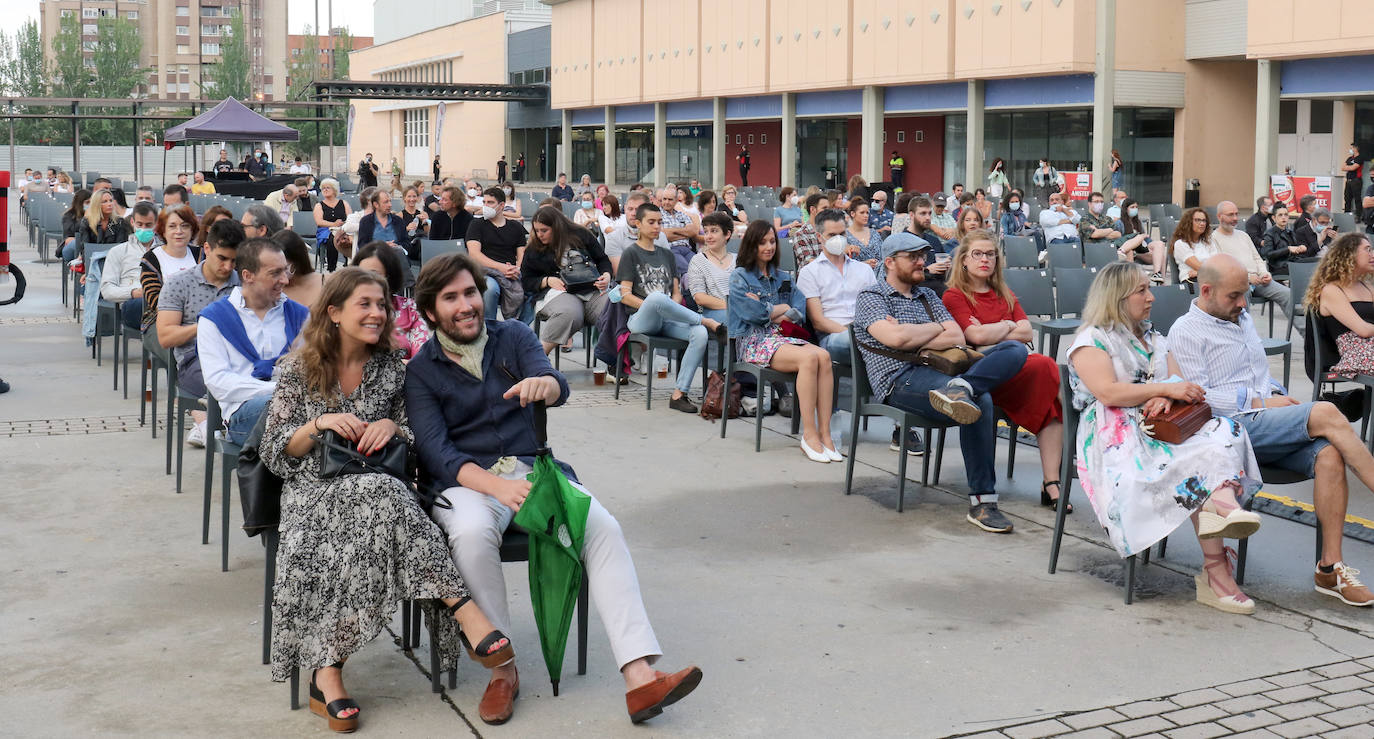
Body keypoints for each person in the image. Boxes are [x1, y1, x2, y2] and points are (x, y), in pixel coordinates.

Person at [404, 253, 702, 726]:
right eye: (451, 298)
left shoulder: (514, 336)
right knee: (471, 533)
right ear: (430, 311)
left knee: (601, 527)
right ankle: (503, 670)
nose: (466, 305)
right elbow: (438, 453)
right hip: (468, 483)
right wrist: (497, 490)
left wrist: (545, 383)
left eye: (470, 293)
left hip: (533, 470)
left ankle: (640, 675)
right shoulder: (421, 370)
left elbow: (556, 381)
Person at [258, 267, 509, 732]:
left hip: (377, 493)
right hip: (313, 496)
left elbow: (416, 441)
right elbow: (273, 451)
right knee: (386, 494)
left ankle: (326, 674)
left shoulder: (394, 367)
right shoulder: (297, 368)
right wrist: (319, 425)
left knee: (382, 492)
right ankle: (464, 609)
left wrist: (395, 427)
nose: (377, 313)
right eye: (365, 305)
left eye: (382, 305)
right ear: (333, 312)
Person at [1173, 250, 1374, 607]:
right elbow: (1197, 398)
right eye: (1233, 296)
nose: (1242, 302)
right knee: (1327, 412)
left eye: (1245, 293)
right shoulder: (1186, 331)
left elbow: (1259, 376)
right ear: (1205, 291)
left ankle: (1330, 568)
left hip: (1267, 423)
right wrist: (1262, 403)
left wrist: (1279, 398)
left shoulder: (1241, 317)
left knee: (1329, 455)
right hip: (1230, 429)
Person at [1069, 261, 1263, 612]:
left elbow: (1174, 380)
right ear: (1117, 297)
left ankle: (1222, 506)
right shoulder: (1091, 340)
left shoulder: (1155, 337)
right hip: (1116, 435)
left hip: (1161, 425)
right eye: (1142, 290)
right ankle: (1218, 570)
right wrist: (1156, 390)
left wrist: (1164, 393)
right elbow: (1109, 393)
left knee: (1227, 429)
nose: (1151, 297)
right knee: (1196, 469)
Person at [854, 232, 1031, 532]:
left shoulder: (928, 296)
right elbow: (894, 339)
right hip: (899, 381)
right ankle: (983, 502)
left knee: (1014, 350)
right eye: (912, 257)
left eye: (922, 256)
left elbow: (957, 336)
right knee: (981, 401)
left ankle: (965, 387)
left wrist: (916, 334)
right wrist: (934, 329)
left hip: (943, 375)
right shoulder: (872, 298)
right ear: (889, 263)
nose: (921, 262)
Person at [942, 230, 1066, 510]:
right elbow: (975, 338)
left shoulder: (1004, 294)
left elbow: (1025, 330)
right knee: (1044, 366)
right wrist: (1008, 327)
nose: (985, 259)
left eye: (990, 254)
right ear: (963, 260)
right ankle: (1051, 484)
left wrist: (997, 329)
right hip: (983, 374)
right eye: (978, 254)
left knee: (1047, 392)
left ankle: (1051, 481)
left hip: (1016, 373)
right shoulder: (954, 296)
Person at [729, 220, 837, 461]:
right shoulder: (740, 277)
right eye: (762, 242)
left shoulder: (782, 277)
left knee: (824, 356)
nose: (769, 247)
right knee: (810, 358)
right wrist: (778, 309)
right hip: (753, 342)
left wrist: (774, 310)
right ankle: (809, 436)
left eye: (772, 241)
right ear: (751, 245)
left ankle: (825, 435)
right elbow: (751, 315)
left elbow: (798, 308)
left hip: (782, 338)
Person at [197, 237, 307, 445]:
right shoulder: (214, 318)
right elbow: (218, 382)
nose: (285, 279)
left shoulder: (300, 315)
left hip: (298, 404)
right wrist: (280, 390)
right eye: (275, 273)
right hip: (244, 413)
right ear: (248, 276)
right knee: (278, 407)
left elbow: (314, 367)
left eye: (286, 270)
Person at [618, 202, 723, 413]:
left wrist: (669, 308)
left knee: (700, 334)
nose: (657, 226)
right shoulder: (631, 253)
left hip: (666, 319)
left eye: (659, 222)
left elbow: (676, 293)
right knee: (656, 298)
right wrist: (654, 304)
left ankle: (679, 394)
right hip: (640, 319)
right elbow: (625, 296)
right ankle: (705, 320)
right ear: (638, 224)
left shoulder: (667, 254)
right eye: (651, 222)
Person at [157, 219, 244, 445]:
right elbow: (165, 337)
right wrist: (208, 325)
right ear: (206, 249)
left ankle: (214, 426)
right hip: (194, 360)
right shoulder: (179, 283)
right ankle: (218, 426)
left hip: (240, 355)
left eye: (234, 261)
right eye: (222, 258)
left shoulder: (245, 283)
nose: (228, 267)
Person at [522, 207, 613, 356]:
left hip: (590, 288)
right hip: (556, 292)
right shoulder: (534, 249)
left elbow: (602, 259)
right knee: (570, 313)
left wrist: (607, 275)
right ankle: (537, 358)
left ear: (556, 227)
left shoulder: (581, 235)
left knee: (612, 310)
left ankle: (614, 361)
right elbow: (526, 280)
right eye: (536, 230)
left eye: (544, 230)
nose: (539, 235)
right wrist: (547, 280)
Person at [1208, 200, 1292, 316]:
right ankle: (1245, 332)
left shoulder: (1243, 235)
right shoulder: (1213, 239)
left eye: (1236, 214)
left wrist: (1264, 274)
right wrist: (1247, 278)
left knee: (1287, 294)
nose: (1235, 218)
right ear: (1219, 216)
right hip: (1237, 282)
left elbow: (1257, 259)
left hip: (1259, 280)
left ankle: (1306, 333)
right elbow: (1222, 269)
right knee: (1242, 291)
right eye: (1230, 215)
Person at [349, 241, 428, 361]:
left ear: (390, 277)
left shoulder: (411, 309)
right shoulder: (346, 308)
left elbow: (422, 362)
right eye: (359, 275)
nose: (365, 282)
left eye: (373, 276)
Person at [465, 187, 529, 320]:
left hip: (511, 271)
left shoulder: (516, 227)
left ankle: (517, 330)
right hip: (486, 272)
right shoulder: (476, 224)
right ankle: (490, 328)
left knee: (531, 290)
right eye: (484, 202)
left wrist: (516, 268)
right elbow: (474, 254)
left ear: (501, 205)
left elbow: (522, 254)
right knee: (490, 289)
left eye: (490, 203)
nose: (485, 206)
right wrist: (502, 268)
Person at [100, 202, 161, 332]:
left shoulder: (164, 250)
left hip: (160, 301)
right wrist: (133, 293)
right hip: (134, 303)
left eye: (148, 225)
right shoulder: (118, 251)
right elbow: (106, 289)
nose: (143, 229)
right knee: (145, 304)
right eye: (140, 224)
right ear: (132, 222)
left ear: (156, 225)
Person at [685, 211, 737, 325]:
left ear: (727, 234)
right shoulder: (698, 260)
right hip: (713, 313)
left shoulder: (738, 260)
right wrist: (733, 305)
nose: (708, 236)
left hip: (740, 310)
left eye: (714, 231)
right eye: (706, 231)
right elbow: (700, 298)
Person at [603, 191, 668, 275]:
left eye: (638, 210)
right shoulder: (614, 238)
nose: (633, 214)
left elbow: (668, 268)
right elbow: (621, 274)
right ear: (625, 209)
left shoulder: (660, 237)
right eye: (630, 209)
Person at [1117, 197, 1168, 282]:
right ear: (1126, 209)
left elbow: (1146, 239)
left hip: (1141, 250)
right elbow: (1119, 241)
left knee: (1160, 245)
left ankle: (1158, 275)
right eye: (1132, 207)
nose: (1135, 209)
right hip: (1128, 251)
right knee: (1131, 250)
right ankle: (1133, 281)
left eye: (1136, 207)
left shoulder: (1138, 222)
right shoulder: (1119, 223)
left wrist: (1152, 248)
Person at [657, 186, 700, 280]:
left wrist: (672, 231)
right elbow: (663, 235)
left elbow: (693, 231)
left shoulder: (681, 214)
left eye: (670, 199)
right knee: (687, 272)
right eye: (664, 199)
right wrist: (684, 232)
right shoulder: (657, 214)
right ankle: (688, 294)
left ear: (676, 200)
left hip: (687, 249)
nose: (666, 202)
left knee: (701, 268)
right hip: (671, 249)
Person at [357, 189, 411, 261]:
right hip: (374, 260)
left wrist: (397, 246)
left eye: (390, 201)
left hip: (396, 259)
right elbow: (362, 246)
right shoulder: (366, 222)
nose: (390, 205)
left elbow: (407, 243)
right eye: (386, 202)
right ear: (376, 204)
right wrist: (380, 246)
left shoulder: (398, 221)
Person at [313, 178, 354, 272]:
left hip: (343, 228)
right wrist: (333, 224)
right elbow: (319, 221)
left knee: (349, 238)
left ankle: (349, 264)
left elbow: (350, 218)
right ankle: (331, 268)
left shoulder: (344, 203)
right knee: (332, 238)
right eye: (323, 188)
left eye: (328, 188)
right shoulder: (319, 205)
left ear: (334, 190)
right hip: (325, 230)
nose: (325, 190)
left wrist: (343, 224)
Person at [1260, 202, 1307, 277]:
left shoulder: (1290, 232)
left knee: (1314, 262)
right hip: (1279, 266)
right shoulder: (1269, 234)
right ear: (1274, 218)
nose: (1283, 217)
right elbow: (1268, 254)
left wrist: (1300, 248)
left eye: (1286, 215)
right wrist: (1287, 249)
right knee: (1307, 268)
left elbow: (1295, 249)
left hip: (1292, 263)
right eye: (1280, 215)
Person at [790, 192, 832, 271]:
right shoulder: (801, 234)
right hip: (812, 278)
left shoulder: (831, 231)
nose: (828, 212)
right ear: (813, 209)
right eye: (824, 208)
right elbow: (809, 262)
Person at [845, 196, 884, 264]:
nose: (866, 216)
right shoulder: (845, 235)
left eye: (867, 213)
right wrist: (864, 264)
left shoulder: (874, 233)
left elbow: (883, 255)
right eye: (862, 212)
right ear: (852, 214)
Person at [58, 189, 92, 262]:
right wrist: (85, 219)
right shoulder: (68, 216)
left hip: (87, 245)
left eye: (92, 202)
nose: (90, 205)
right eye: (87, 202)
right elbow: (69, 236)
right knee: (75, 243)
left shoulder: (95, 215)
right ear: (80, 203)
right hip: (71, 246)